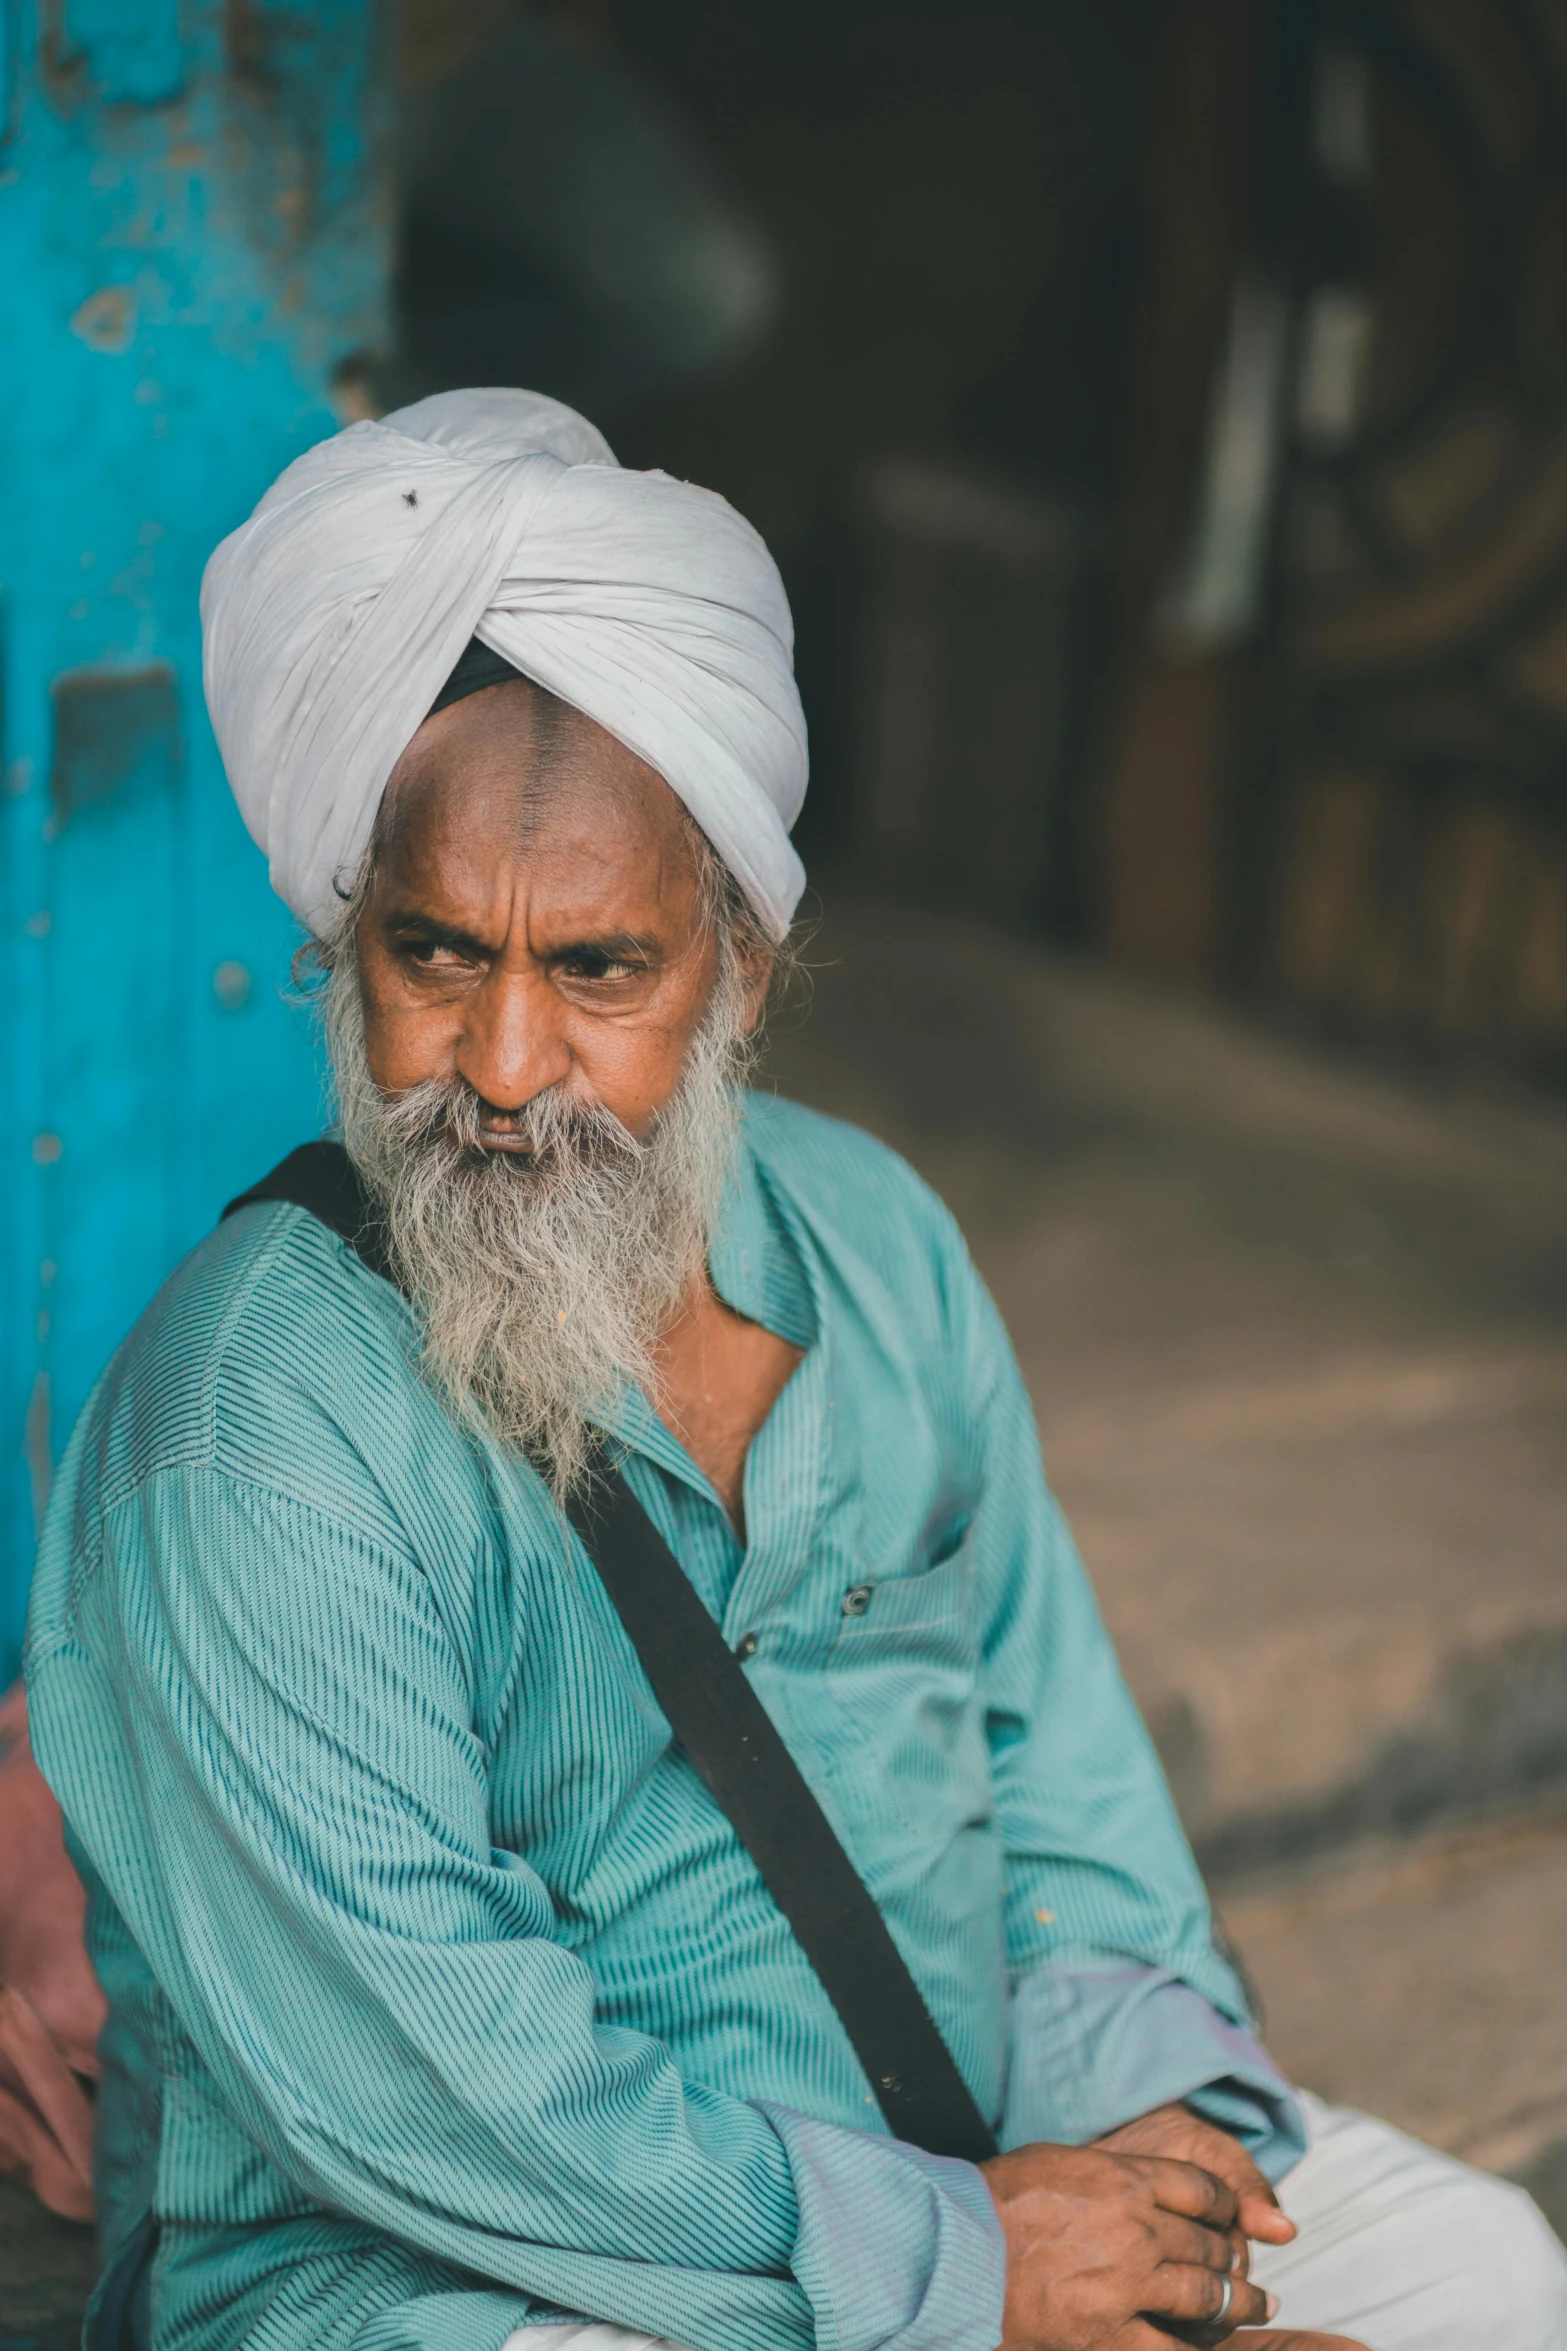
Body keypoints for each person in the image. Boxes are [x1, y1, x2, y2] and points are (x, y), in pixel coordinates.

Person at [21, 390, 1566, 2351]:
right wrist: (967, 2271)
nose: (502, 1069)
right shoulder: (248, 1427)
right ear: (347, 946)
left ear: (734, 968)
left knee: (1481, 2274)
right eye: (434, 960)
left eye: (596, 969)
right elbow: (433, 2093)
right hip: (466, 2273)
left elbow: (1061, 1770)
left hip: (958, 2155)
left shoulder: (881, 1246)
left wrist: (1152, 2158)